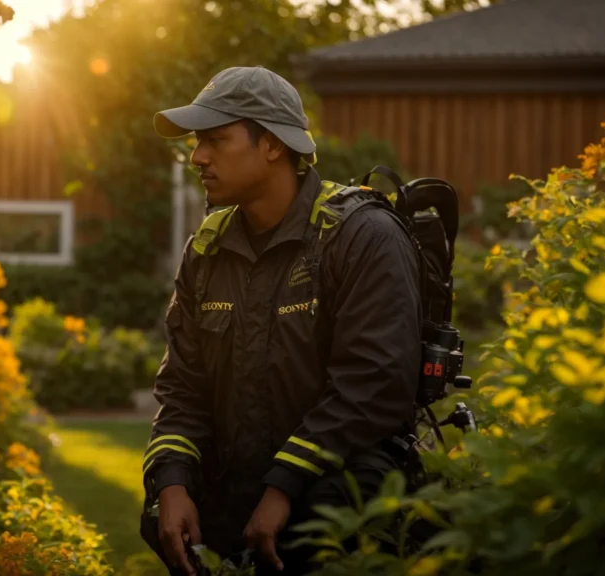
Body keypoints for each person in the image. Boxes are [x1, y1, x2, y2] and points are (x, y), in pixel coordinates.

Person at [139, 66, 424, 576]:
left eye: (215, 140)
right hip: (237, 498)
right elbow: (182, 390)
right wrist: (173, 482)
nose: (196, 156)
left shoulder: (364, 237)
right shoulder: (205, 250)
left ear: (271, 145)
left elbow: (373, 385)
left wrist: (283, 488)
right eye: (197, 142)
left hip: (337, 500)